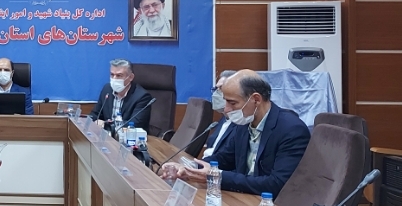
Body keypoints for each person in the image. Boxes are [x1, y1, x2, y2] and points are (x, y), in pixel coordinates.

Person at [161, 70, 309, 198]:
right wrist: (188, 168)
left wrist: (216, 176)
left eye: (232, 103)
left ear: (256, 99)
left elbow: (277, 184)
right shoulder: (244, 123)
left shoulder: (291, 129)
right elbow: (223, 159)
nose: (226, 109)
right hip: (243, 198)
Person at [89, 59, 153, 132]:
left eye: (119, 75)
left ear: (131, 77)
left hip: (129, 136)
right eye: (112, 74)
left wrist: (106, 124)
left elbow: (135, 124)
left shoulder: (142, 97)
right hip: (106, 135)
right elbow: (95, 114)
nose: (114, 79)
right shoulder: (107, 89)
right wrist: (92, 120)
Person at [201, 69, 236, 159]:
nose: (216, 93)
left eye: (221, 88)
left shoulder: (242, 124)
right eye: (215, 89)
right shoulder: (223, 120)